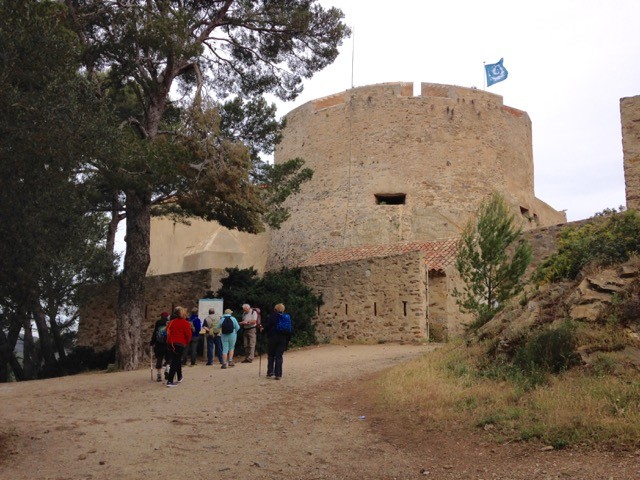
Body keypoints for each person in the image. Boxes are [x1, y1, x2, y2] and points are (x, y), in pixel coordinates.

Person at [263, 303, 292, 380]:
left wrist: (262, 331)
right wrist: (288, 340)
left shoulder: (272, 316)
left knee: (271, 355)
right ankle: (278, 374)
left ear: (275, 309)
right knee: (279, 356)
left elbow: (267, 327)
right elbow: (289, 330)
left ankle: (270, 372)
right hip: (283, 339)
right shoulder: (286, 317)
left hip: (273, 338)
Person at [166, 306, 192, 387]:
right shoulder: (185, 323)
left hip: (170, 343)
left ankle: (179, 376)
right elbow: (188, 335)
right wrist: (186, 342)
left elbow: (167, 331)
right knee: (175, 361)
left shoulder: (172, 322)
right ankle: (170, 380)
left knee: (176, 360)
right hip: (180, 343)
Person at [149, 311, 170, 382]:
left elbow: (155, 333)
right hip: (168, 343)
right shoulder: (169, 322)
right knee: (168, 358)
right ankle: (167, 369)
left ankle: (159, 375)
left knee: (159, 358)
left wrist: (152, 342)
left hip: (159, 344)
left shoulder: (158, 322)